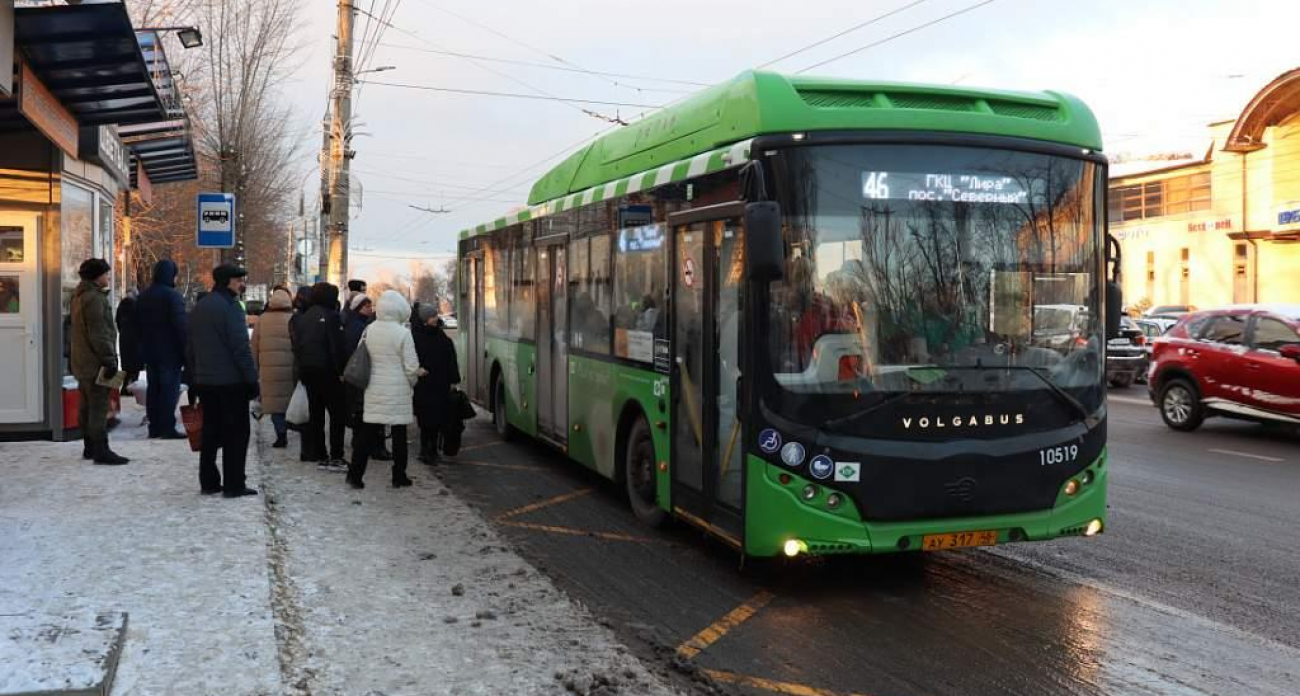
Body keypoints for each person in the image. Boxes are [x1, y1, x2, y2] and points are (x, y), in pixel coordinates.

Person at [189, 264, 259, 498]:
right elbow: (240, 348)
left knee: (210, 431)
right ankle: (234, 483)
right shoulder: (232, 307)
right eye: (239, 280)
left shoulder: (201, 305)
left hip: (206, 380)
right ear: (228, 281)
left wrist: (193, 377)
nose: (242, 284)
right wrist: (251, 380)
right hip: (230, 382)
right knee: (236, 434)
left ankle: (208, 481)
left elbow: (190, 346)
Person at [347, 290, 422, 489]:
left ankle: (355, 475)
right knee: (399, 435)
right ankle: (399, 476)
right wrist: (413, 382)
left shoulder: (369, 329)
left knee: (366, 433)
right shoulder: (403, 333)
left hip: (374, 388)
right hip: (398, 391)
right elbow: (411, 367)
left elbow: (361, 355)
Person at [70, 258, 129, 465]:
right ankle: (101, 450)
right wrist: (109, 360)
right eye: (105, 274)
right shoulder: (94, 299)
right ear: (97, 276)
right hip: (96, 363)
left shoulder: (80, 296)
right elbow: (99, 333)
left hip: (83, 362)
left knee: (86, 405)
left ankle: (89, 447)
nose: (108, 277)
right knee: (98, 406)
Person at [292, 282, 348, 469]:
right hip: (328, 372)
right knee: (336, 415)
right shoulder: (332, 316)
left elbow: (296, 347)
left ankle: (319, 453)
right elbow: (335, 346)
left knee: (316, 414)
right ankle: (336, 455)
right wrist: (341, 371)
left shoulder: (301, 318)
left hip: (308, 371)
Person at [136, 260, 189, 438]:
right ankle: (167, 427)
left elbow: (136, 325)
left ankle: (155, 426)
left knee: (154, 389)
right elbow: (180, 327)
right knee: (169, 390)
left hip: (149, 352)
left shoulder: (143, 296)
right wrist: (186, 351)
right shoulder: (172, 296)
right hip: (170, 353)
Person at [342, 293, 391, 460]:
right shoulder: (360, 326)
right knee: (368, 410)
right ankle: (374, 447)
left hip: (357, 374)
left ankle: (362, 442)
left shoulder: (352, 323)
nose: (371, 309)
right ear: (358, 308)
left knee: (361, 410)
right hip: (365, 374)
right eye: (367, 307)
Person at [412, 301, 460, 464]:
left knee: (437, 419)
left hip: (440, 385)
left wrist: (454, 380)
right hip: (423, 385)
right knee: (425, 420)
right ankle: (426, 450)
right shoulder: (415, 337)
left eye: (435, 315)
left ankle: (432, 450)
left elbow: (451, 359)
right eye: (432, 316)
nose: (435, 318)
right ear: (425, 319)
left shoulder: (440, 336)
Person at [251, 287, 295, 448]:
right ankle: (294, 428)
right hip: (290, 369)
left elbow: (254, 346)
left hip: (269, 371)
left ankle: (281, 435)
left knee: (275, 405)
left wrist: (254, 369)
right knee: (289, 402)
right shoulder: (294, 318)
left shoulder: (262, 320)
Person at [115, 288, 142, 395]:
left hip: (124, 338)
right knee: (136, 365)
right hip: (136, 339)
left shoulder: (120, 307)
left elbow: (117, 322)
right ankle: (133, 389)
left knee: (126, 365)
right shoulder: (137, 306)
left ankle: (124, 388)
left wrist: (123, 331)